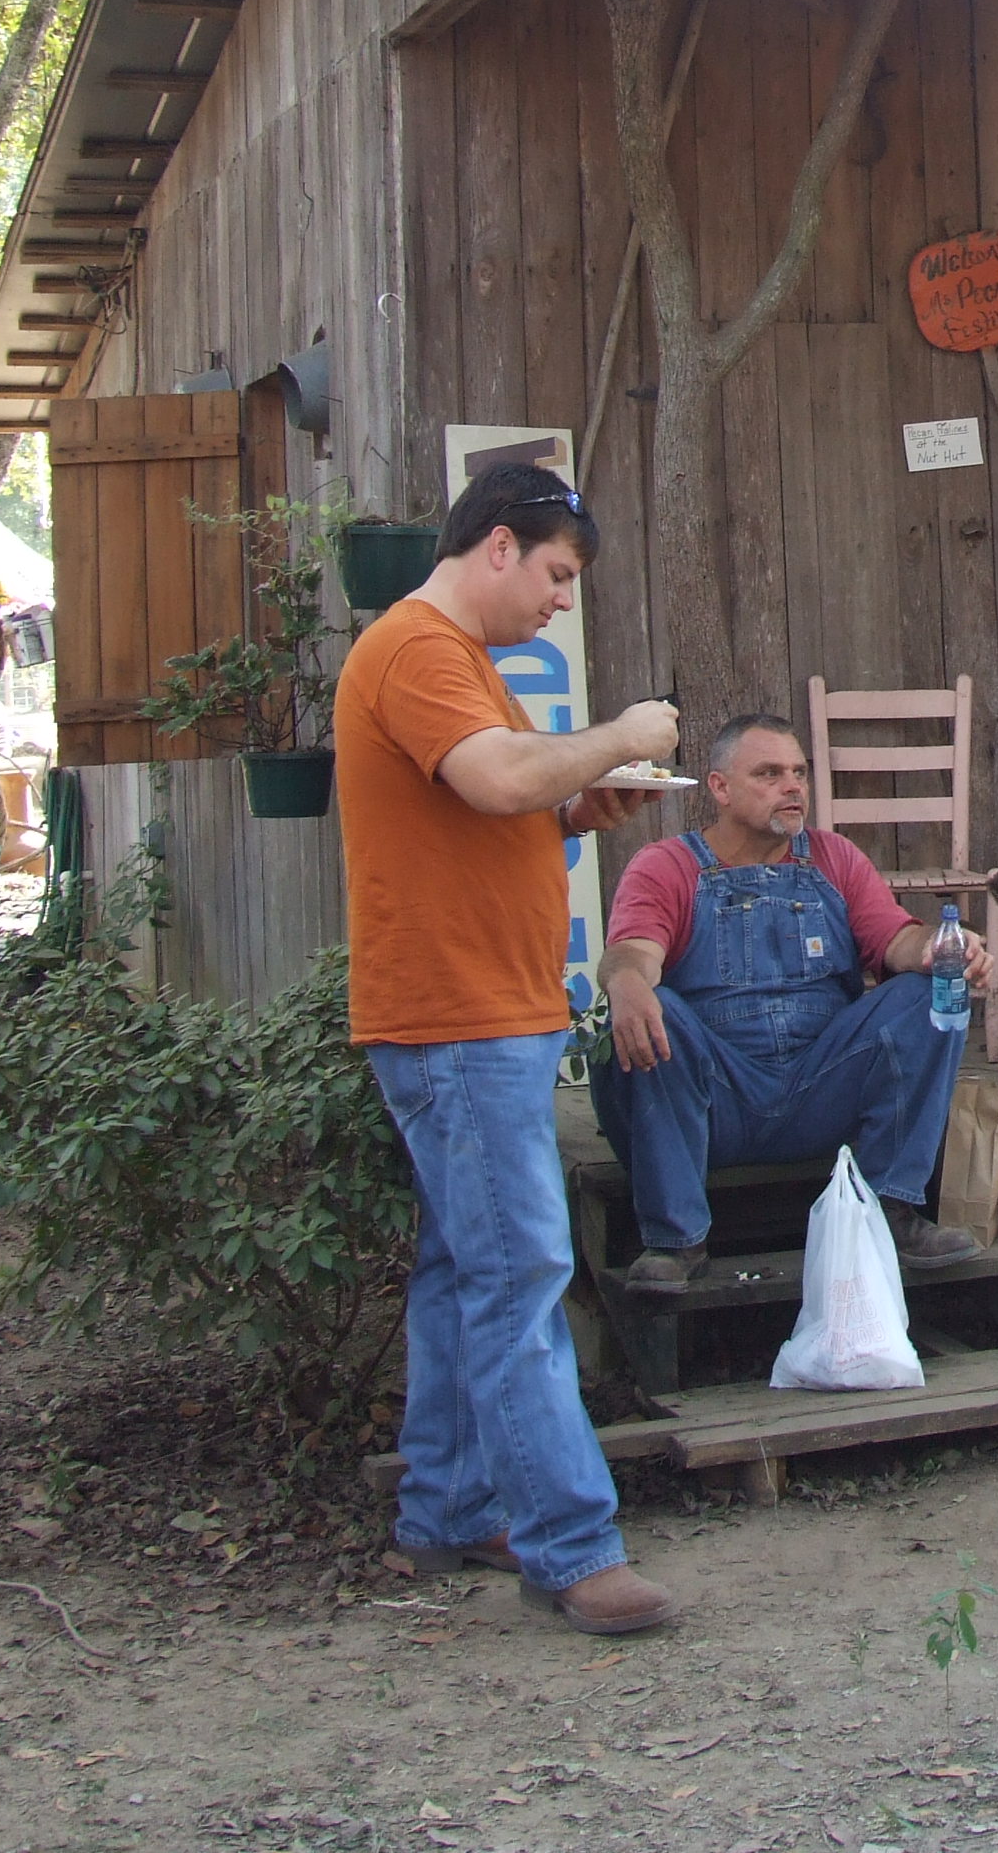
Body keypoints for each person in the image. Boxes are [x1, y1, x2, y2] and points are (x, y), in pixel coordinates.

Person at [334, 461, 685, 1634]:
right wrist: (618, 733)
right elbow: (496, 782)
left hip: (483, 1014)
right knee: (520, 1277)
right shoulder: (422, 651)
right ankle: (571, 1547)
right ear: (495, 545)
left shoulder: (453, 658)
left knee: (458, 1269)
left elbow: (499, 804)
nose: (557, 601)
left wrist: (583, 803)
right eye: (553, 573)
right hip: (459, 1019)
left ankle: (446, 1509)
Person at [595, 714, 995, 1293]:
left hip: (822, 1085)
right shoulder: (668, 865)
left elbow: (895, 938)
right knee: (655, 1005)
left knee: (930, 993)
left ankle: (893, 1211)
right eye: (769, 773)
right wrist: (627, 983)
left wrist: (938, 949)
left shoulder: (834, 858)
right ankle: (674, 1242)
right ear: (720, 788)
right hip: (716, 1099)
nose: (793, 787)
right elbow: (632, 952)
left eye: (799, 773)